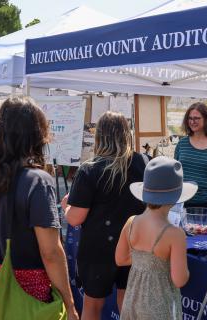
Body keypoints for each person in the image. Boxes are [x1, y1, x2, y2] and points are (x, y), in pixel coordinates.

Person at [0, 97, 78, 320]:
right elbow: (50, 252)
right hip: (32, 296)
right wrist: (69, 304)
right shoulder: (38, 182)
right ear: (35, 135)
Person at [61, 111, 147, 320]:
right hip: (133, 243)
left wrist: (65, 207)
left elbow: (75, 218)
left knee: (92, 306)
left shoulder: (90, 169)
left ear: (100, 135)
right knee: (128, 305)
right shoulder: (142, 162)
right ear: (126, 133)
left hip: (98, 249)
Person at [115, 156, 197, 320]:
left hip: (132, 300)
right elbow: (179, 279)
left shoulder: (131, 222)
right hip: (160, 306)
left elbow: (120, 259)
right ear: (176, 198)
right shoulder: (175, 234)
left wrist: (145, 261)